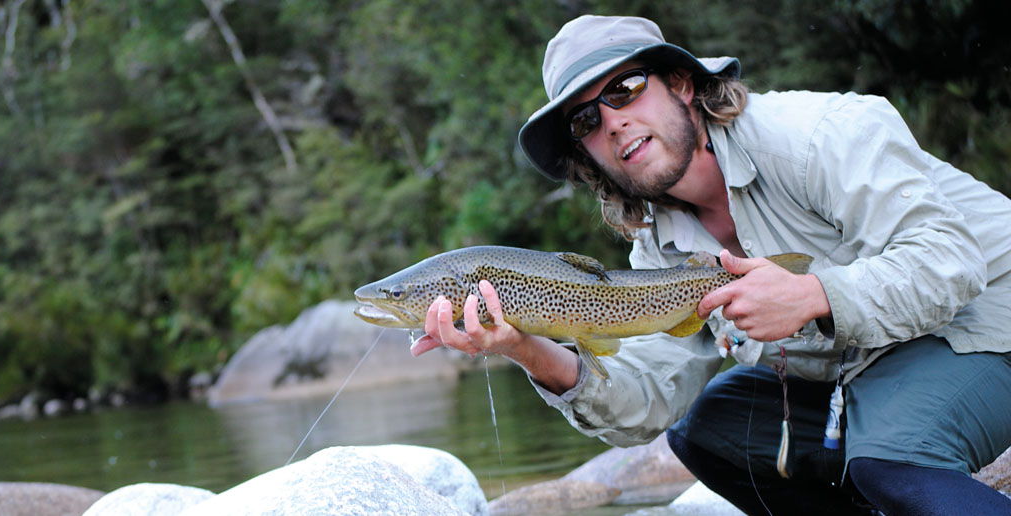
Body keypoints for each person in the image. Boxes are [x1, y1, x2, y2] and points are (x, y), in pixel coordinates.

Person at [410, 15, 1011, 516]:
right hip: (874, 369)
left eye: (624, 90)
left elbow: (948, 260)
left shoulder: (816, 135)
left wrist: (814, 295)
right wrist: (524, 347)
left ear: (682, 84)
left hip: (987, 319)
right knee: (710, 430)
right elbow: (647, 394)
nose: (613, 120)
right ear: (585, 151)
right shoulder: (657, 247)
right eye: (586, 121)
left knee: (891, 457)